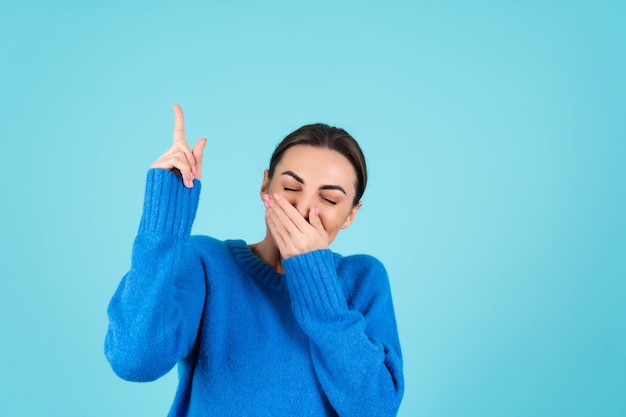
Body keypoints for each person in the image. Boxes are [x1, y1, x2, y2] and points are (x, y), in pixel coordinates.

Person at [104, 104, 404, 416]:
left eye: (329, 199)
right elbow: (133, 359)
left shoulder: (363, 279)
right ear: (265, 186)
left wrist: (316, 280)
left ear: (350, 215)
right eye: (290, 187)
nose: (302, 209)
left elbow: (376, 408)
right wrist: (165, 220)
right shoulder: (208, 264)